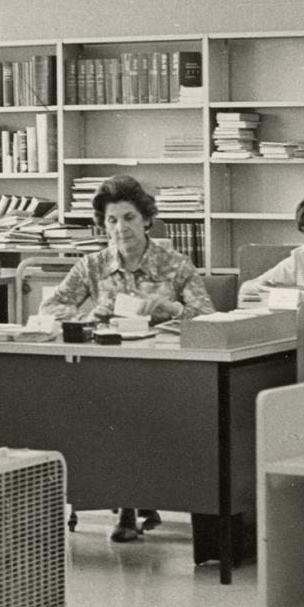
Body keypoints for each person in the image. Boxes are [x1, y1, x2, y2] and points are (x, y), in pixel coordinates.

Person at [40, 174, 212, 542]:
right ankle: (129, 501)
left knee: (133, 410)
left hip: (165, 376)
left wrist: (172, 308)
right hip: (106, 372)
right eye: (112, 221)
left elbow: (208, 317)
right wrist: (89, 317)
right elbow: (50, 307)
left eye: (129, 218)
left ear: (147, 218)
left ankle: (134, 501)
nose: (121, 229)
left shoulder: (175, 263)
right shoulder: (94, 265)